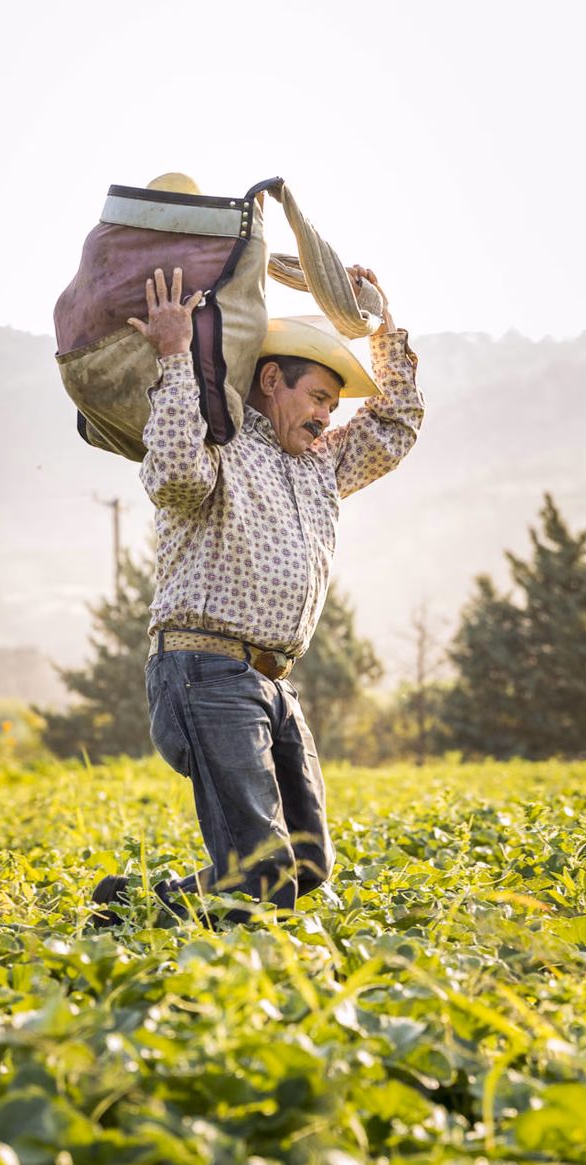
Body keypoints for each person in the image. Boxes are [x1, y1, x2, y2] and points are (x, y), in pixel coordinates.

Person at [92, 264, 424, 925]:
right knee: (261, 872)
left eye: (334, 403)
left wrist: (383, 323)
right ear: (272, 380)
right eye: (320, 396)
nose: (328, 412)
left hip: (273, 680)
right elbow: (175, 480)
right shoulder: (223, 439)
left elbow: (399, 421)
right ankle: (226, 974)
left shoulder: (326, 462)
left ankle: (130, 910)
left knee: (303, 867)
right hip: (204, 671)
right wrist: (174, 356)